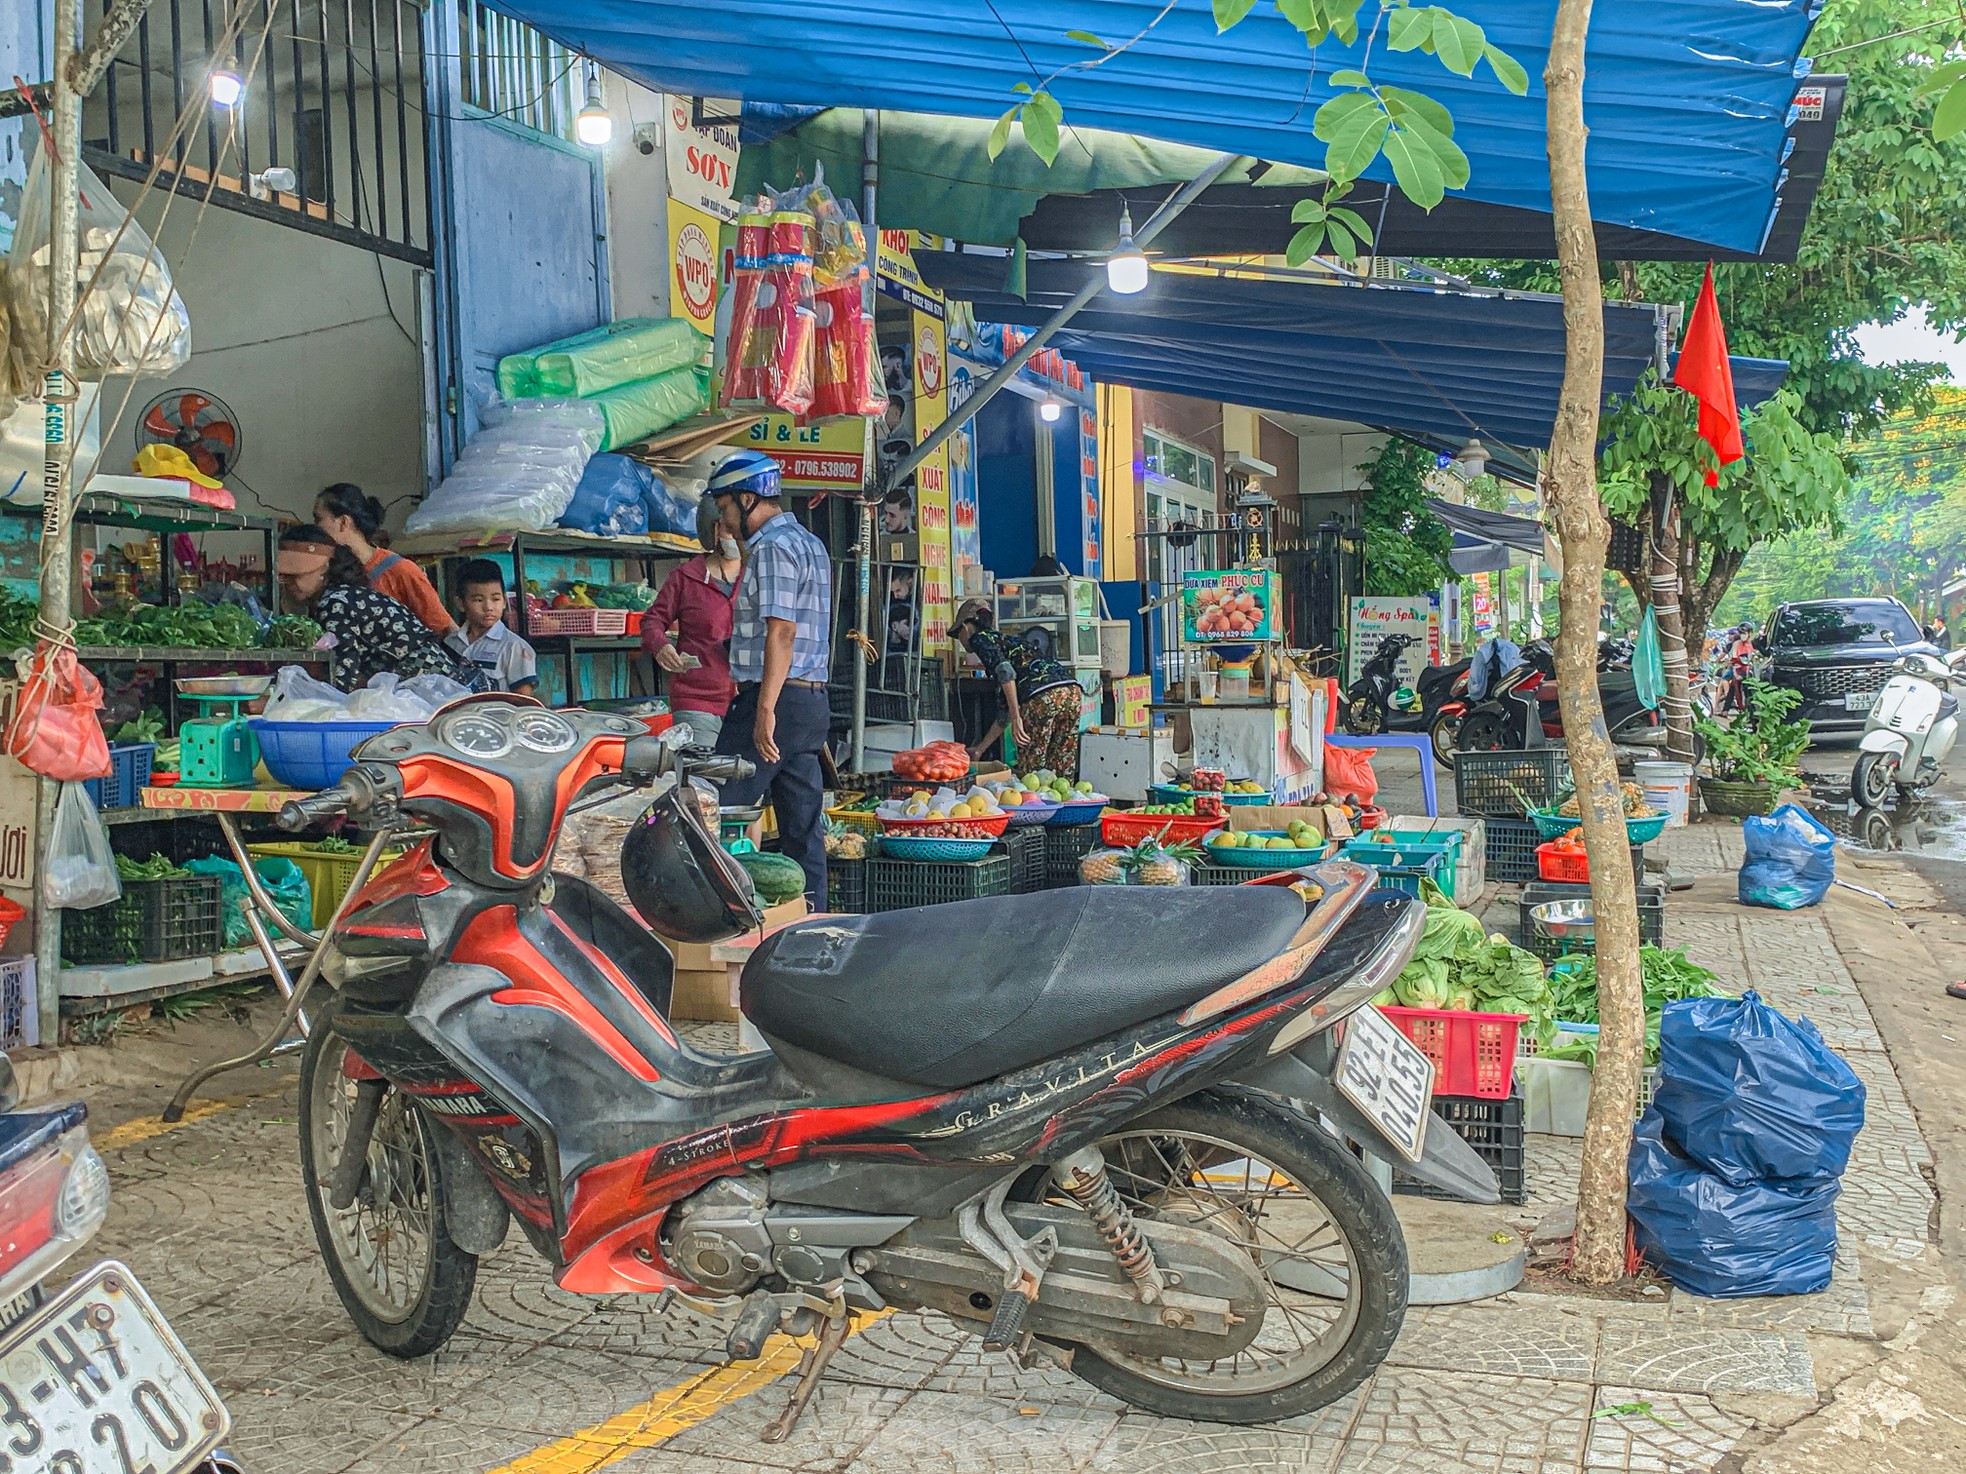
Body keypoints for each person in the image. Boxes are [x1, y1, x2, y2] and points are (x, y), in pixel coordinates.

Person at [707, 450, 833, 905]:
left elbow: (781, 631)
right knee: (802, 829)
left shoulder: (773, 548)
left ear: (746, 499)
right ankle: (815, 922)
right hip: (811, 703)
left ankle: (719, 921)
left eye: (724, 510)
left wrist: (763, 710)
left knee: (712, 812)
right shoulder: (809, 543)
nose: (723, 523)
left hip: (775, 699)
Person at [276, 527, 483, 693]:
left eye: (296, 576)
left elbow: (342, 674)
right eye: (284, 577)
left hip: (431, 691)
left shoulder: (335, 604)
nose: (288, 584)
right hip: (437, 686)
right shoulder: (347, 595)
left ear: (324, 569)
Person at [641, 496, 740, 747]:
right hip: (696, 700)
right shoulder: (685, 577)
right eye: (728, 528)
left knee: (742, 782)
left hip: (747, 703)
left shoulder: (758, 576)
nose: (736, 535)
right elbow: (653, 620)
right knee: (704, 780)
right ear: (712, 530)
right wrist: (661, 646)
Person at [952, 596, 1084, 777]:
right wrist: (980, 749)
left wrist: (1017, 718)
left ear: (966, 627)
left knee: (1032, 768)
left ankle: (1036, 803)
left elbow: (1006, 672)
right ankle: (1066, 800)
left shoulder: (980, 639)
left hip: (1042, 696)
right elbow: (1004, 712)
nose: (959, 638)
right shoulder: (1009, 642)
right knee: (1062, 762)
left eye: (957, 633)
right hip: (1072, 692)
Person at [315, 482, 456, 640]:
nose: (315, 528)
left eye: (318, 519)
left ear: (343, 522)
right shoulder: (325, 570)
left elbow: (446, 629)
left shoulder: (401, 570)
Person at [447, 559, 538, 696]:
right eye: (478, 600)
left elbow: (523, 700)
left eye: (495, 599)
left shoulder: (515, 647)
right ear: (461, 603)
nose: (488, 607)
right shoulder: (450, 643)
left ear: (504, 601)